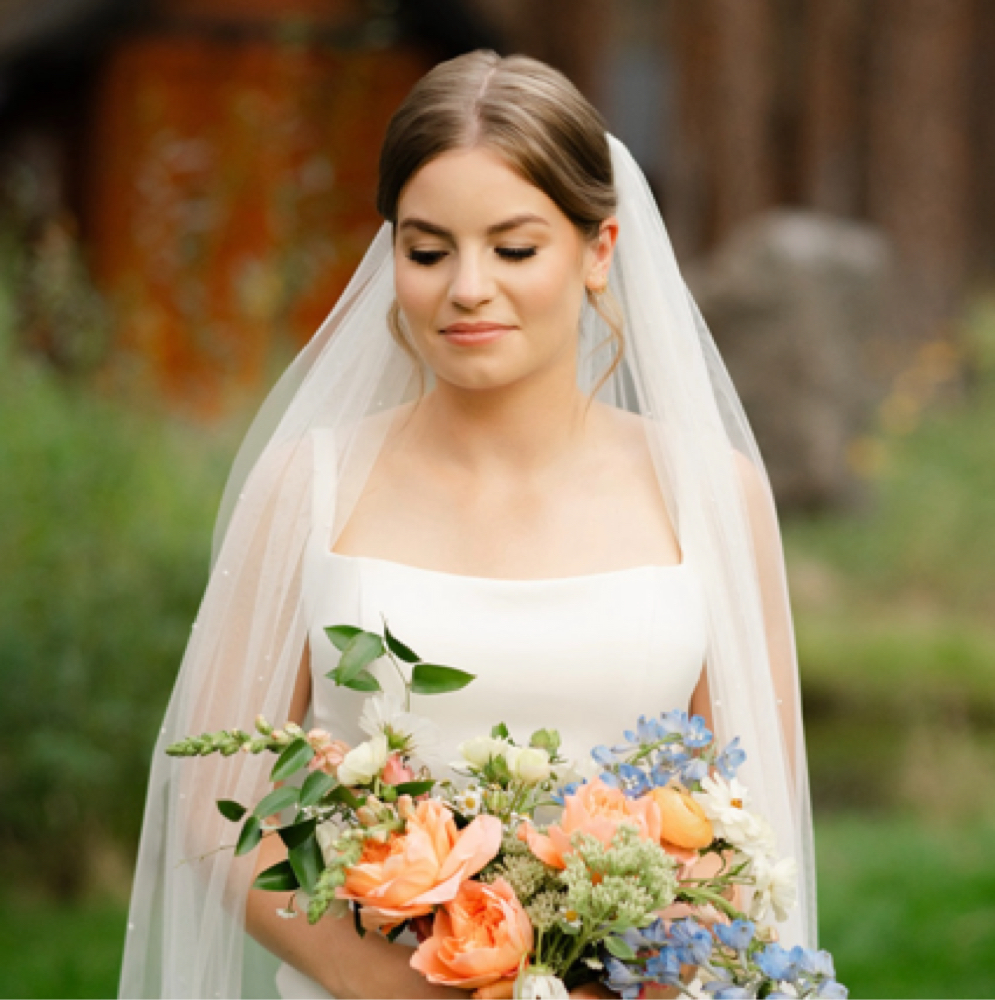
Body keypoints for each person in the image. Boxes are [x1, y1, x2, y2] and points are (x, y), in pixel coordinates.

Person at [119, 50, 816, 1000]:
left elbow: (751, 815)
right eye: (428, 249)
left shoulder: (712, 493)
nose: (467, 288)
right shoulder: (308, 485)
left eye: (515, 248)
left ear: (599, 250)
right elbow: (211, 805)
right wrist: (404, 990)